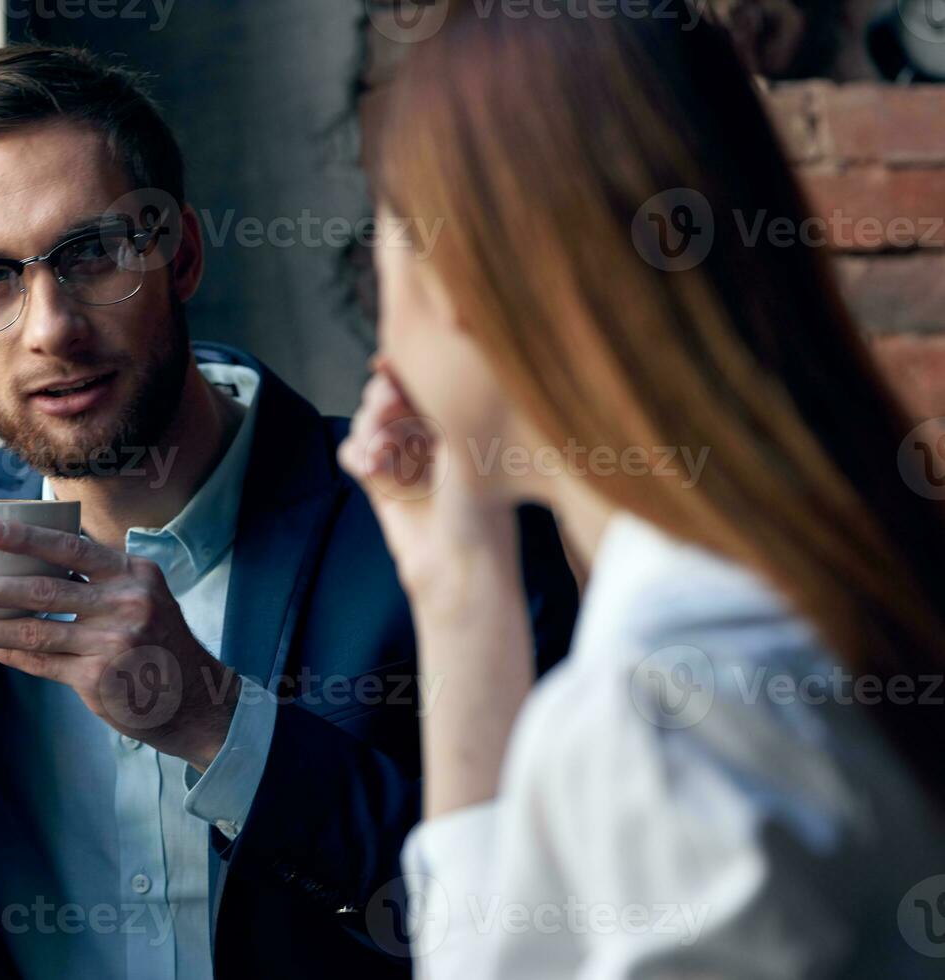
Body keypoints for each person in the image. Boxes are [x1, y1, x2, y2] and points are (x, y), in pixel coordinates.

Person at [0, 45, 579, 979]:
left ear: (182, 254)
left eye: (94, 253)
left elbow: (554, 912)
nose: (53, 329)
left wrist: (216, 720)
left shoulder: (432, 523)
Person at [342, 4, 945, 977]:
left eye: (386, 241)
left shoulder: (660, 718)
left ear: (459, 275)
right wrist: (459, 592)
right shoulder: (813, 595)